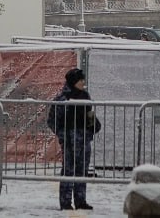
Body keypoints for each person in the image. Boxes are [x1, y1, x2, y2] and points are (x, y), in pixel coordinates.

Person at [48, 68, 99, 211]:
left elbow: (90, 115)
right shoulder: (62, 99)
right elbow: (52, 120)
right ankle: (65, 202)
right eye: (80, 79)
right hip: (70, 141)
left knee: (82, 171)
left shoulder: (85, 96)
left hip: (84, 140)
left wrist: (92, 129)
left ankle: (80, 200)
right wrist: (63, 136)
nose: (83, 82)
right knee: (68, 171)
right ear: (73, 81)